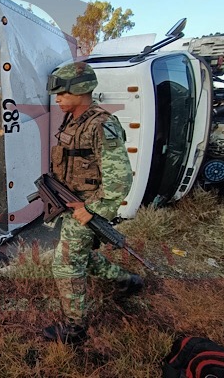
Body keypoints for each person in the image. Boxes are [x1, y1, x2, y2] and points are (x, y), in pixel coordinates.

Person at [42, 61, 143, 343]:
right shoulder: (74, 120)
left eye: (62, 93)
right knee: (82, 256)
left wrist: (92, 210)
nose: (57, 98)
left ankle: (75, 330)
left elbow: (120, 179)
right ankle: (126, 280)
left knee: (65, 265)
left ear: (81, 89)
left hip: (86, 208)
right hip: (72, 203)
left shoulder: (101, 125)